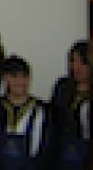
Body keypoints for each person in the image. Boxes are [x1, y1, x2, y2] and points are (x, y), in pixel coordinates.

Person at [0, 56, 52, 169]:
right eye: (14, 76)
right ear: (5, 78)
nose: (19, 81)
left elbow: (48, 149)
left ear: (29, 79)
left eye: (24, 76)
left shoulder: (44, 111)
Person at [49, 41, 89, 170]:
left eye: (83, 62)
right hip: (63, 152)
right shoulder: (62, 86)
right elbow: (53, 119)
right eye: (73, 61)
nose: (76, 67)